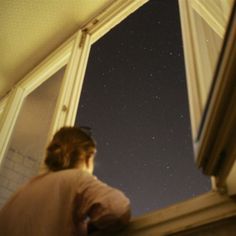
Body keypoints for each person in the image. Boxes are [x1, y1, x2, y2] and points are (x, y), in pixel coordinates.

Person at [0, 127, 131, 236]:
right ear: (88, 157)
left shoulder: (25, 189)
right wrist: (90, 229)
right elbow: (117, 210)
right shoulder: (77, 178)